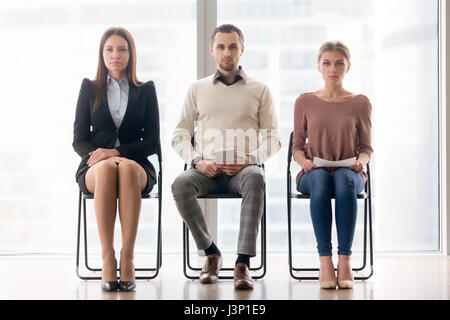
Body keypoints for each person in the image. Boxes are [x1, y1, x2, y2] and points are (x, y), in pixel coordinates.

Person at [171, 24, 281, 290]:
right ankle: (211, 253)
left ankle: (242, 264)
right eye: (221, 46)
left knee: (256, 176)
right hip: (206, 169)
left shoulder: (260, 90)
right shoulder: (197, 89)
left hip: (242, 171)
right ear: (212, 50)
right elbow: (179, 135)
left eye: (233, 46)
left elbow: (274, 138)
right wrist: (198, 161)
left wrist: (250, 159)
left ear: (242, 49)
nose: (227, 52)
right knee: (180, 183)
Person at [73, 27, 160, 291]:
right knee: (109, 168)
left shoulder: (145, 90)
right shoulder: (89, 88)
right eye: (109, 49)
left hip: (137, 167)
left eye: (122, 49)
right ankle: (108, 256)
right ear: (102, 54)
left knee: (125, 168)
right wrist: (102, 157)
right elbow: (79, 139)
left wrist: (118, 153)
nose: (115, 55)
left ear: (131, 54)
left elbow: (153, 142)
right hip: (95, 167)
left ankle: (128, 256)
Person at [292, 41, 373, 289]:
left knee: (342, 179)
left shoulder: (361, 103)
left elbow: (366, 148)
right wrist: (304, 162)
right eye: (326, 62)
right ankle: (325, 262)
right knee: (322, 180)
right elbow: (297, 146)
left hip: (350, 172)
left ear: (348, 66)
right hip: (313, 172)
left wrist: (361, 162)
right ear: (318, 66)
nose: (333, 68)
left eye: (339, 62)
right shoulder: (305, 101)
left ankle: (345, 260)